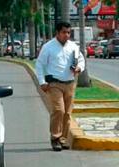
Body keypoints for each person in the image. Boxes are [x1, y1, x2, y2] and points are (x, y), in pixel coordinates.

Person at [35, 21, 85, 151]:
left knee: (67, 113)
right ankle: (55, 138)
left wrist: (79, 68)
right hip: (54, 84)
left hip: (70, 83)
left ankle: (63, 139)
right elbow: (39, 64)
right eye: (64, 32)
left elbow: (81, 60)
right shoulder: (48, 47)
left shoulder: (73, 47)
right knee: (59, 110)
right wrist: (42, 82)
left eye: (68, 32)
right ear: (57, 33)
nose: (66, 35)